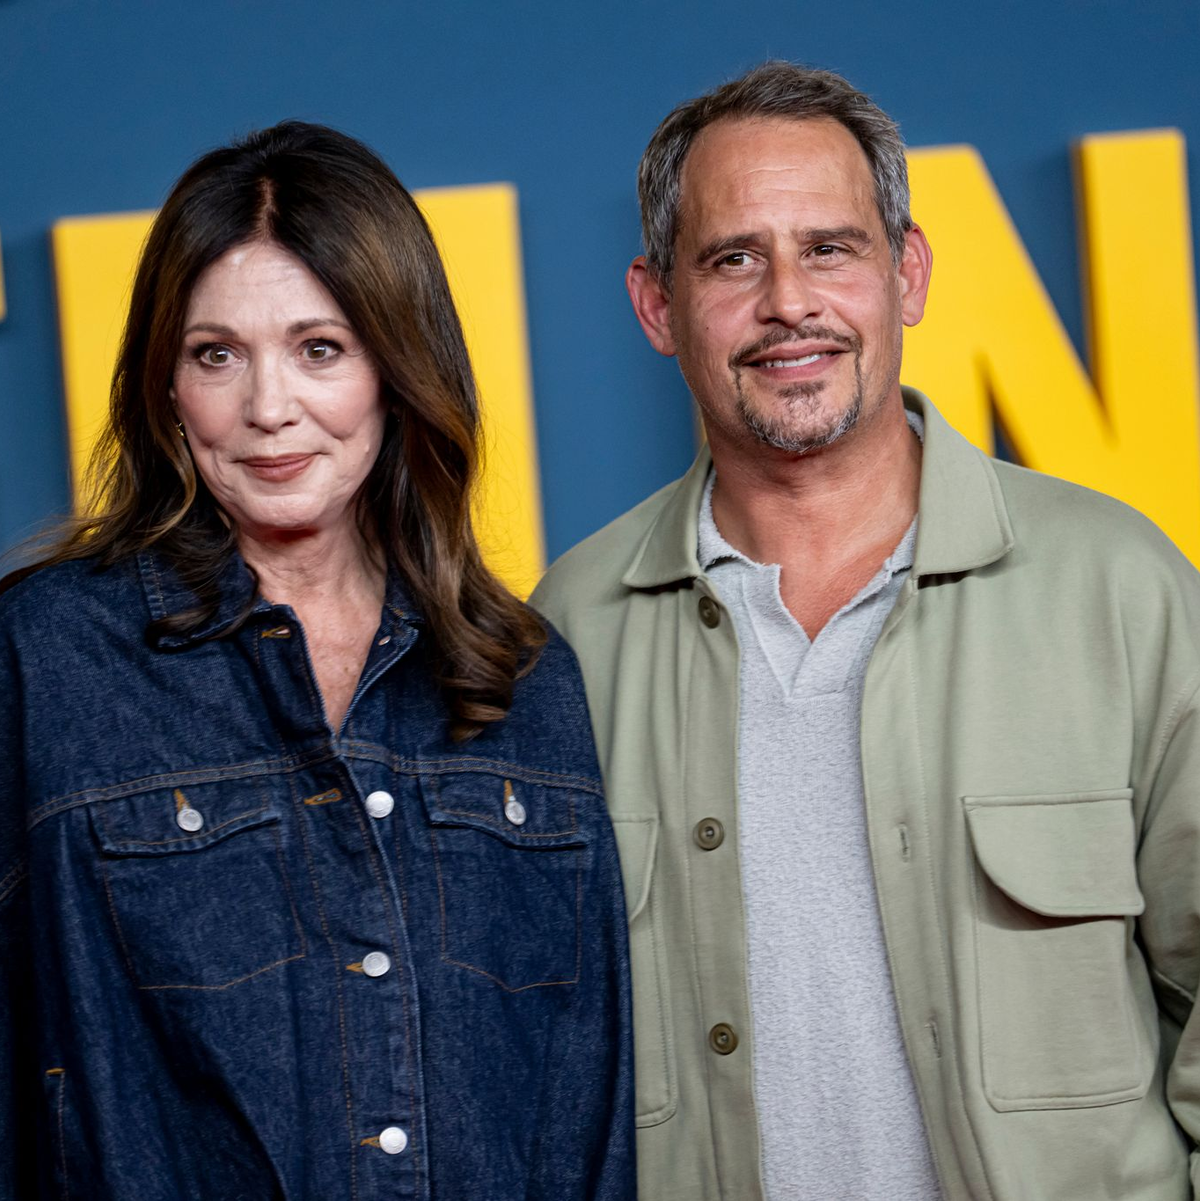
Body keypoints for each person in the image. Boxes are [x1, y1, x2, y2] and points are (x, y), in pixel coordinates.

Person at [532, 61, 1200, 1201]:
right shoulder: (568, 635)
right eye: (734, 258)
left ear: (909, 273)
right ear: (657, 305)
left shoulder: (1118, 585)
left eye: (831, 248)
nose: (789, 299)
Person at [0, 121, 634, 1200]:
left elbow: (590, 1110)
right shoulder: (46, 653)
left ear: (396, 366)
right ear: (165, 386)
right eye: (216, 355)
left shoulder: (524, 678)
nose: (267, 408)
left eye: (319, 348)